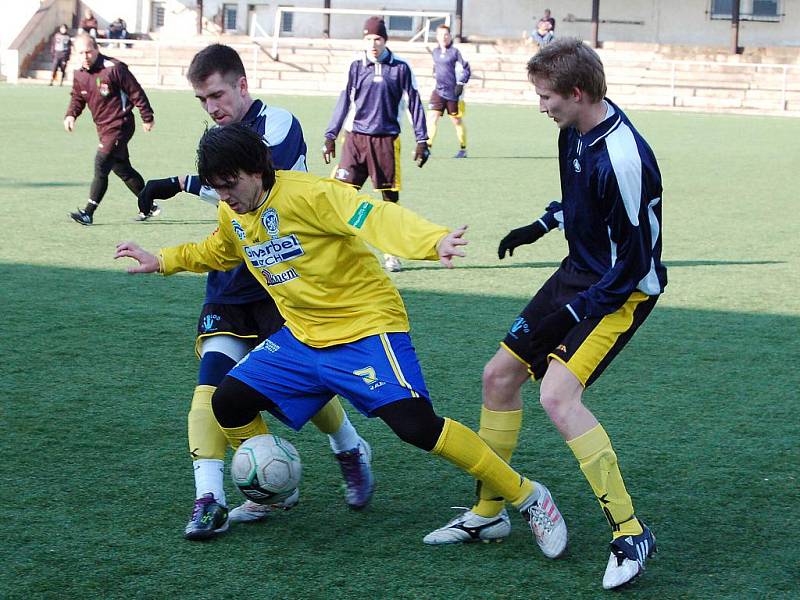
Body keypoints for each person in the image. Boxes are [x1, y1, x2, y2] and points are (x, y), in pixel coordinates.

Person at [115, 123, 568, 560]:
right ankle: (270, 490)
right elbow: (220, 250)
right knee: (229, 400)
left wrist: (432, 242)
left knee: (415, 426)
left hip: (365, 328)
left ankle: (529, 497)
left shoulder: (312, 194)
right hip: (302, 336)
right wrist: (163, 259)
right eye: (218, 187)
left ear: (257, 169)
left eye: (231, 184)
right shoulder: (233, 211)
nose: (226, 196)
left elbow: (375, 215)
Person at [424, 38, 665, 591]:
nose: (541, 105)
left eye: (546, 96)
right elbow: (580, 199)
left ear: (577, 93)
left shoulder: (624, 158)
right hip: (579, 271)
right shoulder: (572, 130)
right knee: (497, 377)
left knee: (557, 396)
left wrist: (577, 310)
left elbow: (634, 263)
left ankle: (630, 531)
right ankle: (489, 513)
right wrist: (542, 223)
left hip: (621, 290)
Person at [135, 44, 374, 541]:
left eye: (217, 94)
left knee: (308, 389)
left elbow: (255, 187)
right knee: (211, 392)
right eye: (202, 100)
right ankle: (213, 498)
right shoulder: (221, 136)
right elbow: (227, 201)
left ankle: (349, 447)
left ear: (243, 85)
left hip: (282, 283)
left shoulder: (279, 125)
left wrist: (182, 181)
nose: (212, 107)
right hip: (229, 285)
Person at [323, 16, 430, 273]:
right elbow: (343, 102)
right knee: (338, 196)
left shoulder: (401, 68)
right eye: (369, 39)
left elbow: (414, 104)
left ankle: (391, 253)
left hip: (386, 141)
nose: (373, 44)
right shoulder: (356, 67)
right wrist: (330, 135)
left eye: (378, 39)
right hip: (355, 139)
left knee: (388, 201)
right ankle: (333, 252)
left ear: (385, 40)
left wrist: (422, 139)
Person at [64, 34, 155, 226]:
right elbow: (77, 98)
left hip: (120, 124)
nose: (85, 56)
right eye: (81, 53)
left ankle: (88, 213)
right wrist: (71, 115)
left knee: (101, 164)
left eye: (88, 51)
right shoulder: (79, 74)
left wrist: (147, 116)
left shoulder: (114, 68)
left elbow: (136, 92)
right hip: (103, 128)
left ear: (96, 49)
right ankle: (149, 205)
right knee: (122, 169)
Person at [426, 24, 471, 159]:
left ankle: (463, 149)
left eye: (446, 34)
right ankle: (427, 148)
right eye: (440, 35)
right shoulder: (435, 52)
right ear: (437, 37)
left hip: (453, 94)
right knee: (432, 117)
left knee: (457, 121)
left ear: (450, 36)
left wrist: (461, 83)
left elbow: (467, 69)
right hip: (438, 91)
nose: (443, 37)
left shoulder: (455, 52)